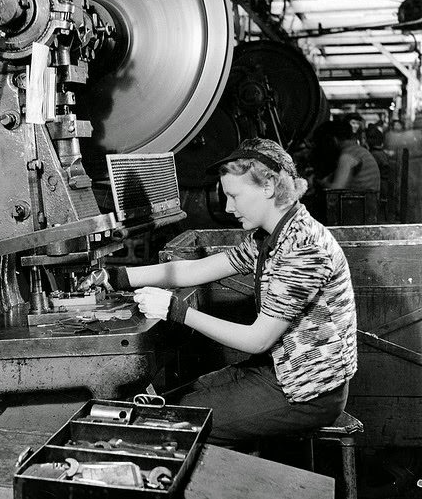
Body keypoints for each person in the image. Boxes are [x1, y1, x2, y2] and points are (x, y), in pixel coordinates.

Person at [79, 138, 357, 446]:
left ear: (268, 187)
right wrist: (115, 277)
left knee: (177, 425)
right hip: (274, 369)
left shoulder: (301, 249)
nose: (228, 207)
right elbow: (196, 270)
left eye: (234, 195)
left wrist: (177, 311)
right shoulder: (270, 236)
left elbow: (257, 339)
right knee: (174, 402)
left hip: (306, 391)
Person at [319, 119, 380, 193]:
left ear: (334, 140)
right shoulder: (358, 150)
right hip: (370, 201)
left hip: (358, 203)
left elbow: (336, 190)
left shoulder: (348, 155)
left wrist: (320, 183)